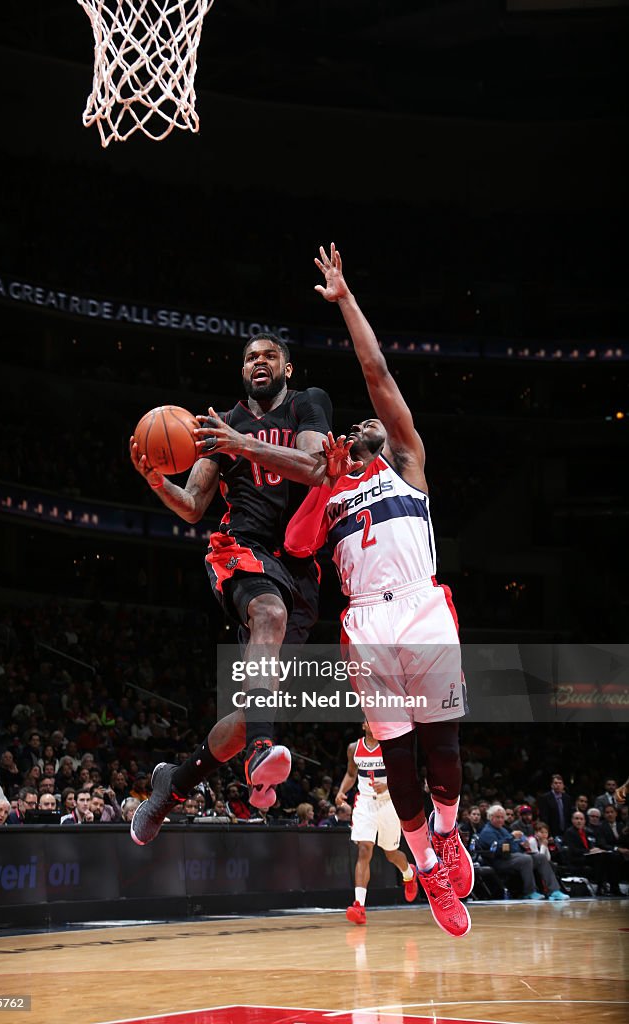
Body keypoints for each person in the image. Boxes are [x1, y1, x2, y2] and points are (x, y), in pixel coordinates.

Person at [284, 243, 473, 938]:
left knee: (443, 744)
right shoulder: (331, 490)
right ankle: (426, 868)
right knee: (398, 758)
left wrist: (344, 300)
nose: (363, 426)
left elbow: (375, 371)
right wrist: (319, 481)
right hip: (364, 623)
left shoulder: (406, 463)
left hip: (420, 604)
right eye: (355, 427)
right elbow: (299, 547)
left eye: (371, 425)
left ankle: (449, 838)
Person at [129, 332, 351, 845]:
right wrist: (158, 481)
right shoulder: (216, 424)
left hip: (298, 564)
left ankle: (175, 784)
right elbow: (192, 505)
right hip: (240, 550)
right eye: (251, 356)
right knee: (268, 618)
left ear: (286, 368)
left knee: (251, 710)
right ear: (242, 369)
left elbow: (316, 469)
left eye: (269, 355)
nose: (259, 362)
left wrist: (239, 443)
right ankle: (261, 750)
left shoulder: (307, 404)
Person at [336, 721, 418, 924]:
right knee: (364, 849)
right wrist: (341, 791)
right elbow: (351, 774)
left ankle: (409, 873)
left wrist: (388, 785)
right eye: (369, 720)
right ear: (364, 725)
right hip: (364, 802)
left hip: (389, 803)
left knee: (391, 854)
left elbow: (405, 776)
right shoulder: (354, 748)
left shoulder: (390, 746)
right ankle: (359, 906)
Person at [478, 804, 569, 900]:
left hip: (511, 857)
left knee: (540, 857)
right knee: (525, 859)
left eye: (502, 817)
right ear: (490, 817)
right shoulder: (487, 832)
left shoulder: (503, 829)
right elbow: (498, 848)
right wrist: (512, 837)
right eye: (497, 817)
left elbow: (513, 847)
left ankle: (554, 891)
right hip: (499, 861)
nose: (501, 820)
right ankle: (529, 892)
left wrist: (523, 846)